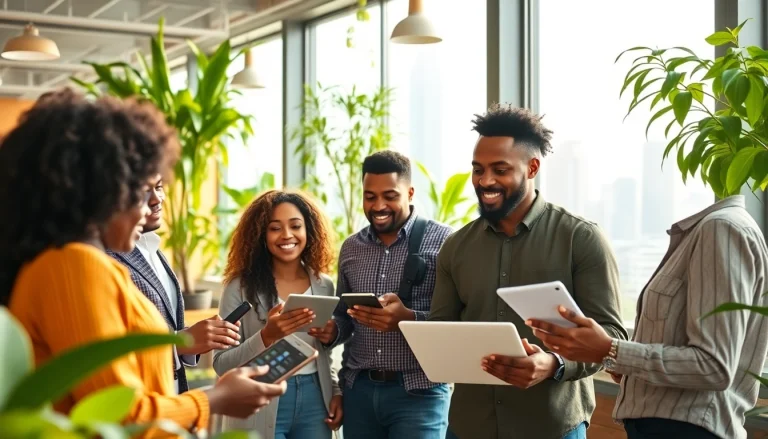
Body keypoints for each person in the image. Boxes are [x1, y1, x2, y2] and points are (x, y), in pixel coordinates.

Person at [0, 88, 286, 435]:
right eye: (140, 190)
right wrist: (214, 399)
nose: (151, 204)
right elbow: (118, 416)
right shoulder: (72, 266)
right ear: (101, 191)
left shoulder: (75, 263)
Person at [429, 104, 628, 439]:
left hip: (551, 427)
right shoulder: (456, 247)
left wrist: (553, 363)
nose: (485, 180)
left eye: (500, 169)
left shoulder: (581, 238)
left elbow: (613, 338)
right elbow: (440, 330)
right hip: (469, 426)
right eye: (478, 169)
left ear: (532, 167)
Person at [527, 195, 768, 439]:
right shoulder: (707, 231)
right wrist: (622, 364)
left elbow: (714, 366)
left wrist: (610, 350)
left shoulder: (722, 229)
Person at [309, 150, 453, 439]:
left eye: (389, 195)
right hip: (359, 391)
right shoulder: (351, 248)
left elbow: (458, 320)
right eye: (370, 196)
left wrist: (408, 319)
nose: (378, 205)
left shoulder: (446, 242)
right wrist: (332, 329)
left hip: (419, 392)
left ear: (410, 193)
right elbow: (344, 314)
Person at [212, 190, 342, 439]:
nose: (287, 235)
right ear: (261, 234)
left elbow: (324, 354)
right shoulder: (239, 287)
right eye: (275, 228)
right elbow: (221, 364)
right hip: (259, 399)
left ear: (309, 231)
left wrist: (335, 390)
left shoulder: (323, 284)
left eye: (296, 226)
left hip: (316, 400)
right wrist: (266, 336)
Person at [108, 174, 241, 394]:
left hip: (171, 396)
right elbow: (112, 347)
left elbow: (163, 328)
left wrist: (198, 337)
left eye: (159, 187)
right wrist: (181, 342)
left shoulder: (154, 250)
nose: (156, 199)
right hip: (138, 401)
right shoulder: (106, 258)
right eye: (144, 191)